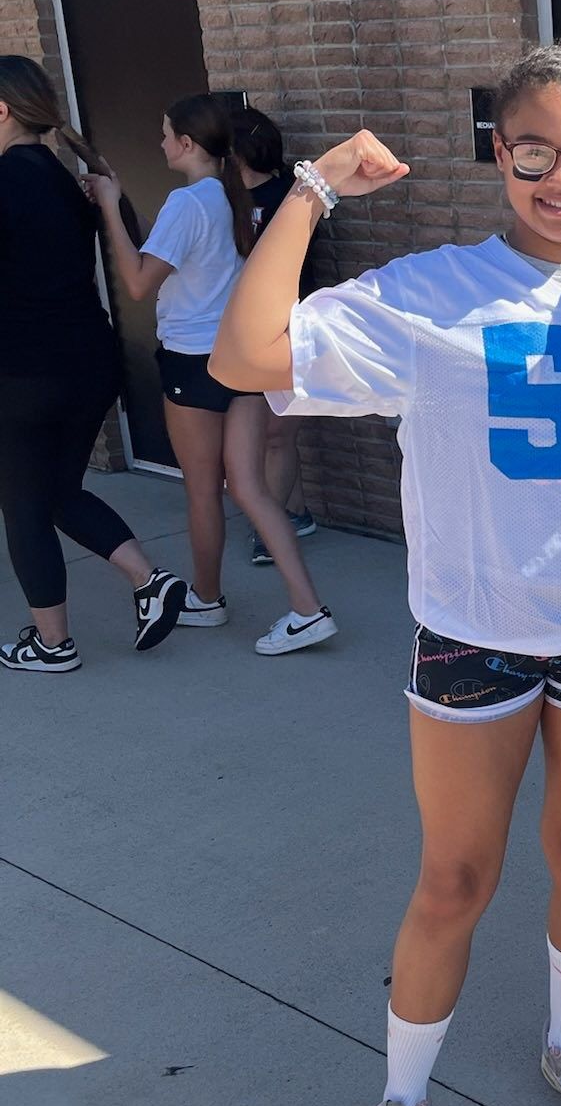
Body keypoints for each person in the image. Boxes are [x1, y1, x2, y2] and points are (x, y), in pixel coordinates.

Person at [211, 42, 561, 1106]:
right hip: (474, 636)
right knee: (455, 878)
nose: (558, 179)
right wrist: (311, 188)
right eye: (532, 154)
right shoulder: (431, 292)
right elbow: (244, 354)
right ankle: (403, 1100)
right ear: (498, 153)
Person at [86, 92, 335, 656]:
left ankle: (207, 598)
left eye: (167, 132)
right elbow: (171, 251)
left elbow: (138, 283)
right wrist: (122, 200)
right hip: (238, 359)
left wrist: (106, 207)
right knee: (248, 486)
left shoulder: (188, 202)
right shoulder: (230, 198)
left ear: (189, 143)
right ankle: (307, 608)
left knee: (203, 489)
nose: (161, 141)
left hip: (192, 363)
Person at [0, 56, 186, 671]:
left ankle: (51, 644)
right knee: (57, 492)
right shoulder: (66, 176)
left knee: (25, 505)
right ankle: (150, 581)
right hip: (87, 359)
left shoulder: (8, 180)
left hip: (24, 371)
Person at [230, 106, 317, 564]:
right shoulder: (223, 198)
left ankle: (275, 525)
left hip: (290, 327)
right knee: (274, 433)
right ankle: (296, 512)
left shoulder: (292, 195)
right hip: (248, 330)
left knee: (277, 434)